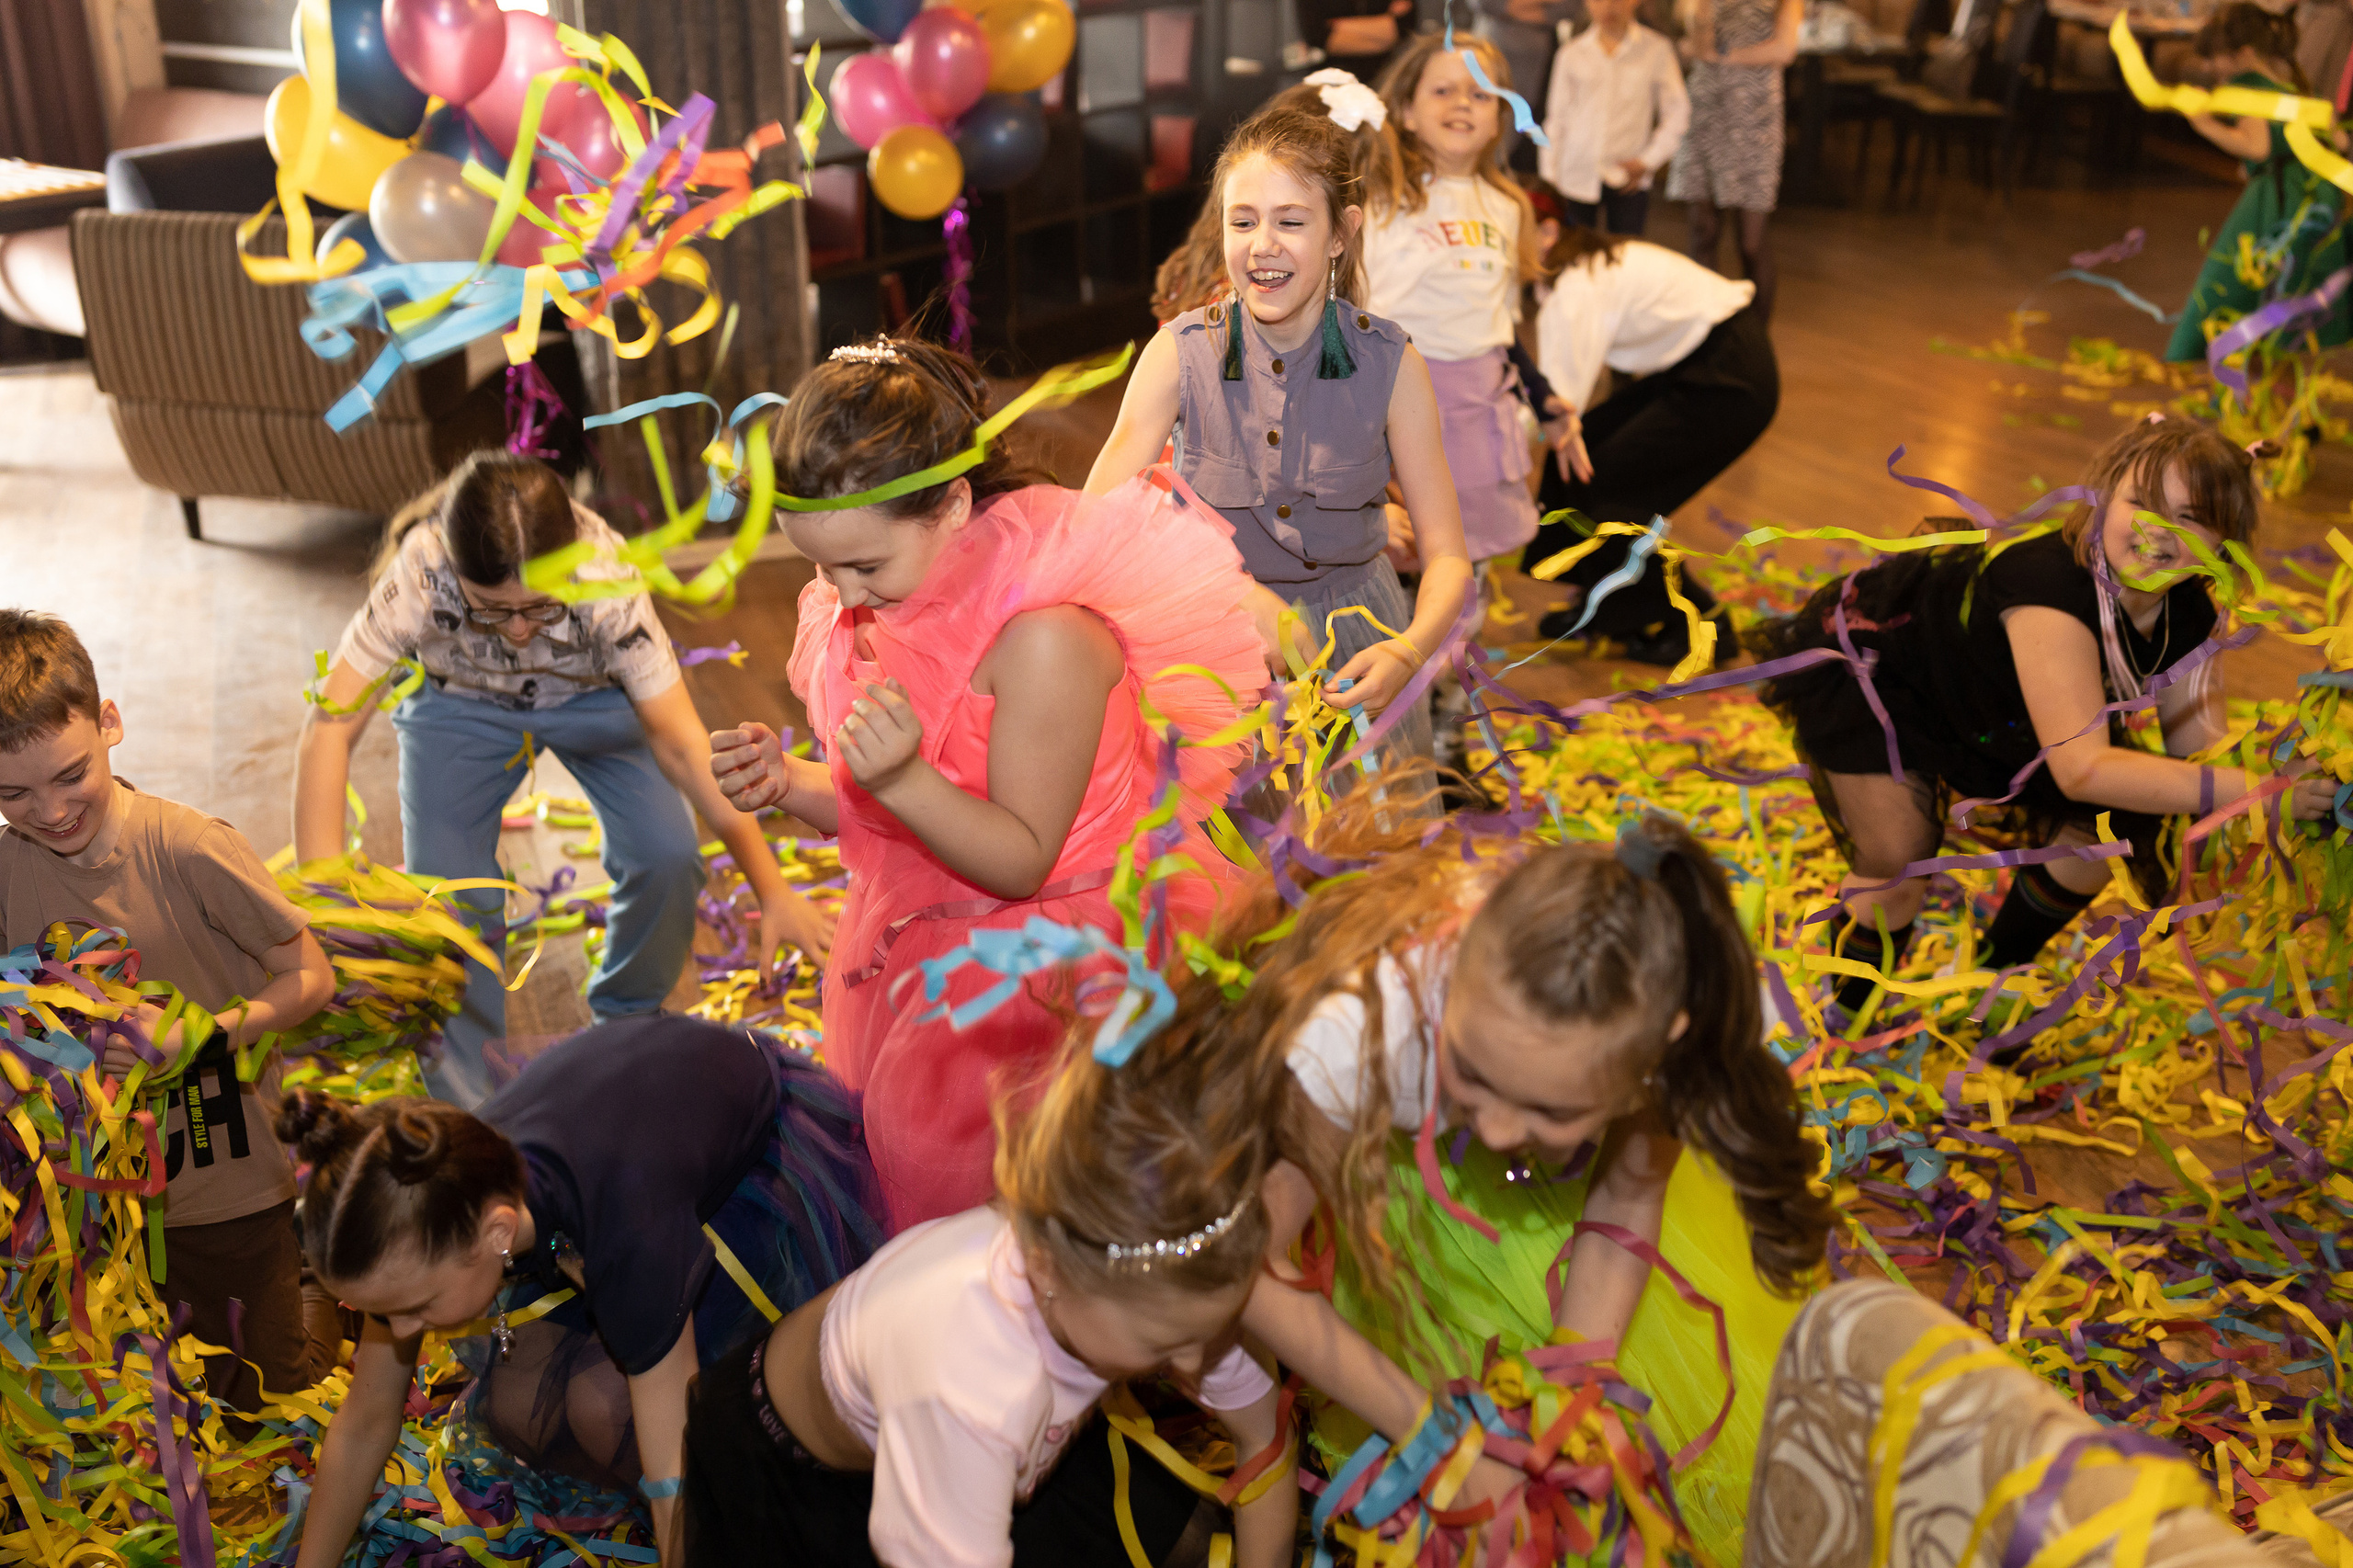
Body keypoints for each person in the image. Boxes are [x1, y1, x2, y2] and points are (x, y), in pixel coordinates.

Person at [1164, 789, 1832, 1564]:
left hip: (1571, 1205)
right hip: (1389, 1195)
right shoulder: (1358, 1031)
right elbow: (1254, 1267)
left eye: (1549, 1111)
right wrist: (1439, 1444)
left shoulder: (1680, 1025)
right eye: (1473, 1076)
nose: (1499, 1131)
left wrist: (1574, 1398)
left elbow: (1628, 1192)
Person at [708, 337, 1265, 1232]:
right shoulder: (891, 600)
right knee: (928, 1218)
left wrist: (897, 772)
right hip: (934, 952)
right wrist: (788, 782)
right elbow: (890, 815)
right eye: (821, 566)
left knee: (1052, 1222)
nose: (844, 595)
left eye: (864, 566)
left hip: (1057, 981)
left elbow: (1018, 860)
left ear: (954, 504)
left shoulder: (1045, 637)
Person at [1756, 417, 2343, 1024]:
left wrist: (2294, 772)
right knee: (1898, 864)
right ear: (2102, 500)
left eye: (2189, 517)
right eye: (2139, 502)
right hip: (1891, 681)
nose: (2156, 529)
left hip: (2013, 717)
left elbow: (2201, 754)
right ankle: (1843, 1022)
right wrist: (2262, 794)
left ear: (2224, 542)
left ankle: (1979, 996)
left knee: (2094, 839)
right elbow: (2082, 770)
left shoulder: (2188, 610)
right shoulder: (2049, 588)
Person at [293, 451, 832, 1109]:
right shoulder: (423, 568)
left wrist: (772, 889)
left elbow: (685, 747)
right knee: (452, 903)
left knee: (668, 856)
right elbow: (329, 725)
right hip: (460, 705)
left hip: (596, 703)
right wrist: (323, 899)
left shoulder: (605, 575)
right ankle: (469, 1099)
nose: (519, 632)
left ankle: (629, 1019)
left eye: (542, 609)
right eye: (493, 611)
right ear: (457, 570)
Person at [679, 1010, 1298, 1568]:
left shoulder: (1161, 1278)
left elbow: (1263, 1440)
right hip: (795, 1472)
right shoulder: (972, 1387)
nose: (1195, 1362)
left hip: (999, 1428)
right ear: (1049, 1270)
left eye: (1209, 1330)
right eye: (1167, 1340)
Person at [273, 1015, 885, 1567]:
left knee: (603, 1413)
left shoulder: (628, 1223)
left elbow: (675, 1471)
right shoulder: (430, 1207)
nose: (402, 1332)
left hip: (735, 1171)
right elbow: (363, 1422)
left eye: (414, 1309)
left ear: (498, 1232)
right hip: (605, 1151)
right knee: (520, 1408)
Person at [0, 609, 340, 1419]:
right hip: (94, 1193)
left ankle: (323, 1271)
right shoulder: (9, 870)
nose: (49, 811)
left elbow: (312, 976)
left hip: (225, 1173)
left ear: (109, 722)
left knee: (267, 1393)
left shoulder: (189, 848)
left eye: (70, 775)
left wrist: (200, 1036)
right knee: (143, 1389)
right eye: (12, 792)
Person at [1086, 105, 1473, 765]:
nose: (1262, 244)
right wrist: (1232, 590)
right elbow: (1093, 526)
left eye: (1291, 221)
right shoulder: (1178, 354)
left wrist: (1408, 652)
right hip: (1214, 651)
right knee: (1235, 853)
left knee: (1360, 857)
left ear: (1340, 234)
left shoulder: (1392, 364)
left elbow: (1449, 557)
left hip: (1357, 648)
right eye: (1243, 221)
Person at [1520, 192, 1777, 665]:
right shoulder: (1582, 272)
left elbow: (1557, 403)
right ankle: (1609, 604)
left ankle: (1706, 624)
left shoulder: (1577, 287)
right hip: (1709, 365)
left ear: (1549, 233)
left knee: (1611, 490)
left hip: (1731, 377)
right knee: (1587, 457)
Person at [1359, 34, 1565, 580]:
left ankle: (1453, 640)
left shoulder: (1509, 206)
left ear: (1500, 116)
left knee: (1464, 542)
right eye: (1443, 90)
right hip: (1394, 399)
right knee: (1398, 542)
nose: (1461, 104)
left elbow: (1503, 324)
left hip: (1477, 405)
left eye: (1480, 95)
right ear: (1405, 110)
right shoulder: (1379, 202)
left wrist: (1543, 399)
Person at [2166, 4, 2351, 364]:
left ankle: (2230, 359)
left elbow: (2257, 146)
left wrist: (2205, 125)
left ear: (2245, 54)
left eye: (2215, 58)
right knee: (2292, 284)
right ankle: (2273, 362)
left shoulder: (2248, 85)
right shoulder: (2289, 80)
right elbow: (2328, 139)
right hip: (2315, 196)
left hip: (2279, 198)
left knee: (2232, 281)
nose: (2209, 68)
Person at [1666, 0, 1802, 319]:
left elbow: (1784, 50)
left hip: (1755, 114)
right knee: (1703, 228)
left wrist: (1725, 56)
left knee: (1751, 241)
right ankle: (1703, 333)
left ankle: (1755, 343)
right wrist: (1701, 18)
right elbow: (1696, 47)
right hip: (1705, 106)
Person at [1539, 0, 1689, 235]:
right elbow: (1556, 119)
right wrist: (1549, 178)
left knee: (1624, 257)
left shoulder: (1656, 49)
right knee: (1573, 255)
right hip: (1575, 172)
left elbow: (1678, 110)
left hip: (1628, 174)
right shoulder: (1572, 53)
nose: (1609, 6)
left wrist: (1649, 160)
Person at [1297, 0, 1421, 85]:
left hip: (1388, 78)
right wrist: (1385, 22)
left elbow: (1403, 29)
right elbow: (1318, 37)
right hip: (1331, 83)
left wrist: (1338, 25)